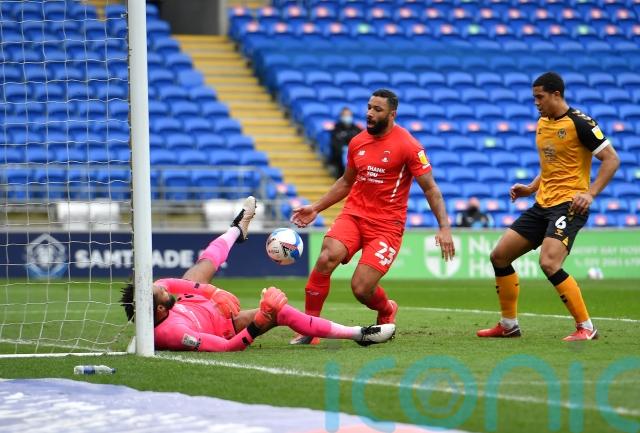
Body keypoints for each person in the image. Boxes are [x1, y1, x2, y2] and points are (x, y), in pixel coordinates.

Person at [119, 196, 395, 351]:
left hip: (199, 301)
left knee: (201, 266)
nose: (162, 287)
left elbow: (170, 283)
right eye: (160, 292)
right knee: (280, 311)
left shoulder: (161, 298)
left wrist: (213, 291)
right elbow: (227, 348)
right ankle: (359, 333)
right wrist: (260, 320)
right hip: (228, 323)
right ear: (158, 310)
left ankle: (237, 229)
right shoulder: (173, 333)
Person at [290, 89, 456, 345]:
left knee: (361, 288)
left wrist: (444, 227)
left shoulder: (409, 146)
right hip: (353, 216)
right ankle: (309, 328)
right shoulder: (357, 142)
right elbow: (346, 182)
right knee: (326, 258)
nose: (369, 113)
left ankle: (387, 308)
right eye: (369, 107)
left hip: (386, 227)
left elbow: (431, 189)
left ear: (392, 114)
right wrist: (316, 208)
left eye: (377, 109)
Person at [477, 72, 620, 342]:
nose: (536, 102)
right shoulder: (542, 123)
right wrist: (531, 188)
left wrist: (590, 194)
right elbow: (552, 165)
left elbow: (611, 159)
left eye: (539, 97)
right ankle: (509, 325)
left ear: (556, 94)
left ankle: (586, 327)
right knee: (499, 256)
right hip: (542, 203)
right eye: (534, 97)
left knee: (549, 262)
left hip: (569, 205)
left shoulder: (581, 123)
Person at [330, 107, 362, 178]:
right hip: (339, 159)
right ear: (341, 116)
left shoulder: (356, 129)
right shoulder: (336, 128)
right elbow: (335, 144)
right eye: (345, 115)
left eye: (349, 115)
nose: (347, 117)